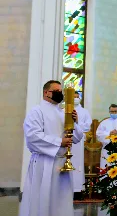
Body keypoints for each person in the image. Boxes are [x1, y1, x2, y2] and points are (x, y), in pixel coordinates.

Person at [19, 80, 84, 216]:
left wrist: (75, 122)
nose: (60, 94)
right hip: (45, 162)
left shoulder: (62, 112)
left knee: (62, 201)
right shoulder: (36, 111)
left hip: (62, 162)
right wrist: (59, 142)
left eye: (61, 91)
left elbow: (76, 138)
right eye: (56, 91)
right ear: (46, 92)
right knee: (43, 200)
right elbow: (33, 136)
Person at [70, 92, 92, 199]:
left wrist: (78, 123)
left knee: (77, 164)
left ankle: (78, 190)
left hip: (78, 140)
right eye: (73, 97)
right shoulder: (64, 109)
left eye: (77, 97)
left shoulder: (84, 112)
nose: (75, 99)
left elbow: (87, 126)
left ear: (80, 98)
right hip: (67, 140)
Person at [96, 104, 117, 169]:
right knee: (106, 167)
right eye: (112, 111)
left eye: (115, 111)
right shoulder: (104, 122)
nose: (114, 113)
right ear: (109, 112)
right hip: (107, 149)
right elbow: (98, 134)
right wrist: (109, 133)